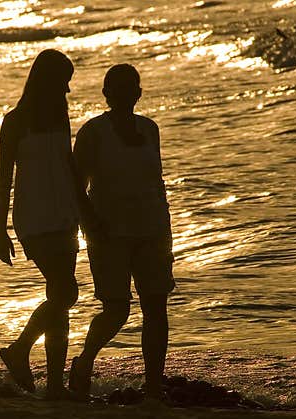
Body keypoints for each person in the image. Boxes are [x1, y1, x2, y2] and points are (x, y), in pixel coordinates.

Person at [68, 64, 175, 399]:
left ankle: (154, 386)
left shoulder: (150, 129)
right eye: (118, 88)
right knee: (117, 310)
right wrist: (91, 226)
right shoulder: (92, 133)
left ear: (139, 93)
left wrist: (165, 220)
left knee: (156, 308)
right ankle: (84, 363)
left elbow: (156, 180)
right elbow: (76, 187)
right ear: (106, 94)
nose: (126, 94)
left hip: (153, 229)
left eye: (132, 88)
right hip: (109, 234)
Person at [0, 49, 94, 399]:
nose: (68, 91)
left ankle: (54, 386)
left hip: (64, 216)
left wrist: (85, 213)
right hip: (33, 219)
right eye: (64, 82)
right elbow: (4, 178)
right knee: (67, 293)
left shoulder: (59, 117)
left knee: (60, 296)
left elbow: (68, 168)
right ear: (48, 80)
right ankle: (20, 349)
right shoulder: (15, 121)